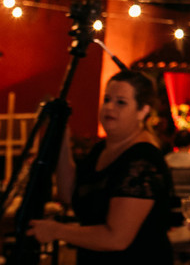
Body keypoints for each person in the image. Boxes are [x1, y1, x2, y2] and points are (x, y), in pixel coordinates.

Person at [27, 71, 174, 264]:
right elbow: (69, 193)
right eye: (107, 99)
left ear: (142, 111)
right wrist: (62, 133)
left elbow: (117, 238)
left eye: (121, 102)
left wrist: (56, 231)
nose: (109, 107)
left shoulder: (142, 159)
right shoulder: (100, 149)